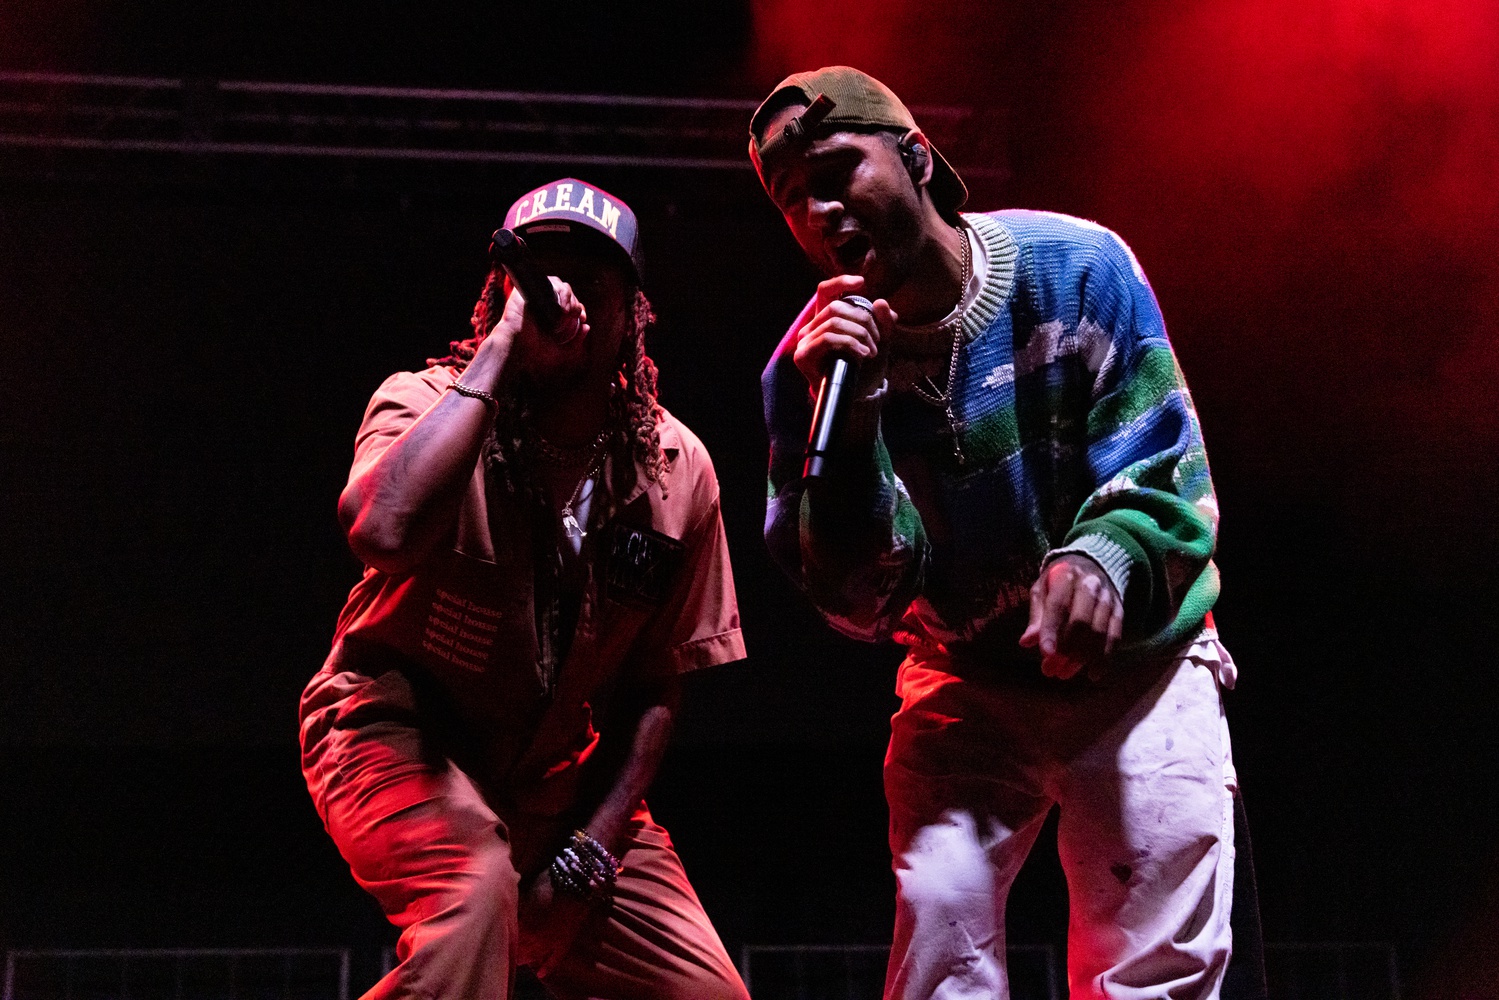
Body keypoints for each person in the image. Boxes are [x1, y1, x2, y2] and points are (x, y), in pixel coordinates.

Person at [750, 68, 1240, 1000]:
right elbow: (857, 602)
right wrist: (848, 433)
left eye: (837, 171)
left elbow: (1168, 470)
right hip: (964, 679)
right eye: (791, 198)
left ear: (916, 157)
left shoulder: (1077, 267)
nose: (818, 210)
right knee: (939, 968)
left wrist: (1107, 556)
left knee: (1154, 975)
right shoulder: (808, 374)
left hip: (1140, 670)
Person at [298, 177, 750, 1000]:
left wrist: (590, 852)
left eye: (590, 280)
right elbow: (381, 532)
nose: (561, 295)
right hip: (395, 735)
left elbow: (656, 687)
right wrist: (504, 351)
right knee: (473, 901)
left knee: (703, 993)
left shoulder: (674, 468)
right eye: (537, 276)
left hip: (558, 784)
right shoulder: (424, 401)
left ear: (632, 314)